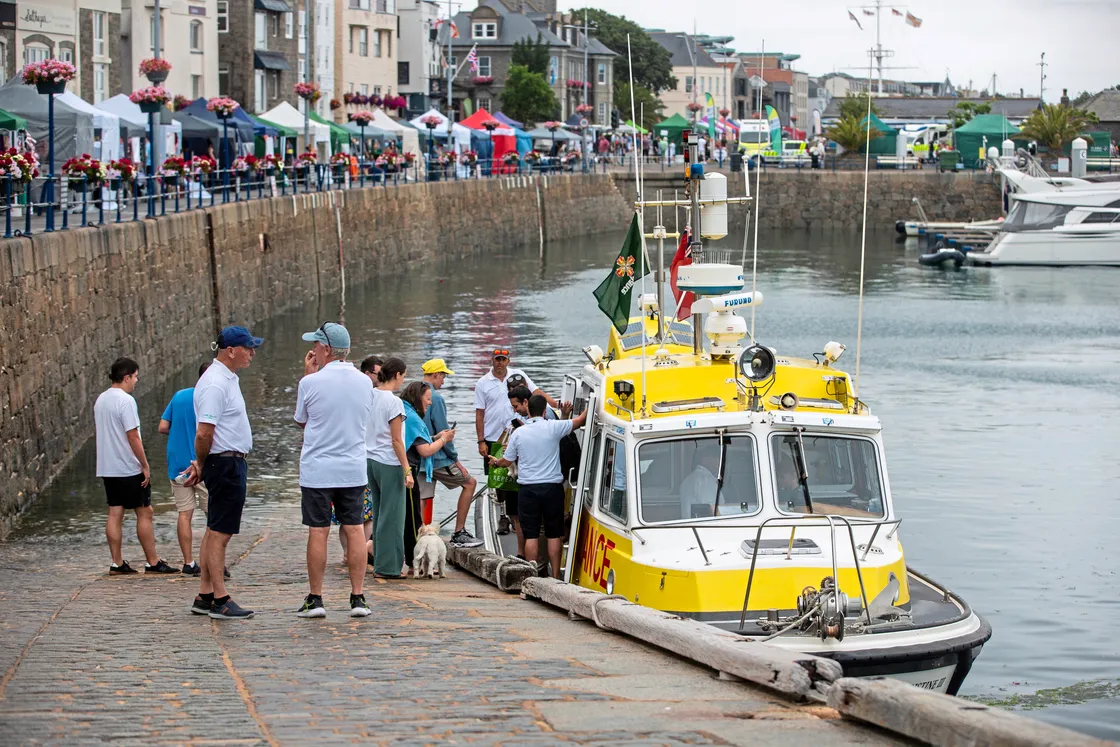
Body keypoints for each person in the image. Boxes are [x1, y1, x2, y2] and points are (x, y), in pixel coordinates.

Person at [294, 322, 374, 619]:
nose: (312, 350)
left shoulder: (310, 383)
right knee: (354, 530)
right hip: (352, 467)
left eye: (315, 345)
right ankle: (358, 598)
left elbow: (302, 420)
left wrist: (308, 375)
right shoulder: (365, 382)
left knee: (318, 531)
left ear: (326, 350)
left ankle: (316, 599)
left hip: (318, 468)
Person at [184, 326, 262, 620]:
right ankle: (220, 598)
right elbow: (204, 432)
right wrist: (202, 465)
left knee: (214, 529)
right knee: (220, 534)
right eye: (248, 348)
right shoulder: (216, 383)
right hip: (225, 462)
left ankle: (205, 594)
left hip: (227, 461)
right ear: (231, 350)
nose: (252, 353)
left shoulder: (225, 379)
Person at [95, 357, 177, 576]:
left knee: (115, 512)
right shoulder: (126, 401)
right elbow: (133, 436)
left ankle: (117, 562)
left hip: (107, 466)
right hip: (127, 466)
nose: (136, 381)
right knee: (145, 512)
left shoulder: (100, 400)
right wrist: (145, 464)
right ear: (126, 377)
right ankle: (152, 561)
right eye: (135, 377)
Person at [490, 396, 588, 578]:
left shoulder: (518, 433)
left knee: (531, 535)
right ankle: (557, 576)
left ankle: (531, 577)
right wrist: (595, 400)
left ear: (528, 411)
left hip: (528, 490)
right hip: (552, 488)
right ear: (544, 411)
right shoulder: (553, 427)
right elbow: (581, 420)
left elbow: (507, 461)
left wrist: (496, 463)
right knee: (553, 534)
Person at [475, 348, 555, 544]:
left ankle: (513, 513)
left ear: (508, 361)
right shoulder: (482, 383)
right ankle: (502, 514)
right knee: (497, 480)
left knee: (512, 477)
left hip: (518, 433)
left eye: (503, 359)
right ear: (492, 361)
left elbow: (537, 393)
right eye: (497, 359)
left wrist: (556, 405)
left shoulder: (519, 377)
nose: (500, 363)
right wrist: (481, 440)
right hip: (495, 435)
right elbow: (479, 413)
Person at [421, 359, 482, 548]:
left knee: (422, 499)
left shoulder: (412, 393)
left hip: (418, 458)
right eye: (443, 376)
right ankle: (459, 532)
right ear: (437, 374)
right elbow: (443, 431)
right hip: (437, 459)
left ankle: (419, 538)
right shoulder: (436, 398)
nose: (444, 381)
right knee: (470, 483)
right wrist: (456, 459)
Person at [158, 361, 211, 575]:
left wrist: (181, 431)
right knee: (213, 517)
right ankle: (213, 562)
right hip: (202, 464)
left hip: (178, 463)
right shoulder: (210, 400)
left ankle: (188, 563)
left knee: (184, 514)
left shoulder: (179, 395)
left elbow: (163, 427)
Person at [399, 382, 454, 572]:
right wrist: (444, 440)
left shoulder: (403, 411)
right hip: (407, 471)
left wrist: (435, 436)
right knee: (412, 518)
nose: (430, 403)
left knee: (404, 514)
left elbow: (416, 440)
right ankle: (413, 563)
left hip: (397, 467)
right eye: (428, 399)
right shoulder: (413, 418)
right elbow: (424, 450)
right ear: (417, 398)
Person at [366, 357, 412, 579]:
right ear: (397, 375)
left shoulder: (371, 394)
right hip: (389, 461)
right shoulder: (394, 402)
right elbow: (396, 440)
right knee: (393, 517)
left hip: (371, 459)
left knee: (379, 513)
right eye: (403, 375)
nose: (404, 380)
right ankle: (389, 566)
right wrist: (406, 469)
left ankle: (379, 560)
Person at [678, 448, 722, 519]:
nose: (719, 462)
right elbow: (711, 510)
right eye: (716, 458)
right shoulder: (706, 481)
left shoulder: (687, 480)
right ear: (705, 459)